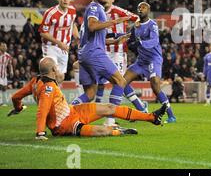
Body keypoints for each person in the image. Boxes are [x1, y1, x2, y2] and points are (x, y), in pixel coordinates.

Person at [8, 57, 166, 139]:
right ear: (54, 69)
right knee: (101, 131)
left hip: (73, 111)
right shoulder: (49, 88)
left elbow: (16, 97)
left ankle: (152, 117)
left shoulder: (34, 82)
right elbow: (42, 111)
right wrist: (40, 133)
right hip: (66, 126)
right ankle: (118, 131)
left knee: (109, 108)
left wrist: (18, 107)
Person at [93, 0, 146, 127]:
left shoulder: (119, 11)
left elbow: (138, 18)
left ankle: (111, 118)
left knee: (119, 82)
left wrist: (134, 33)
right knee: (101, 82)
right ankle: (140, 106)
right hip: (102, 51)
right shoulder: (96, 12)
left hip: (117, 52)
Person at [71, 0, 130, 106]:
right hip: (94, 53)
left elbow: (93, 36)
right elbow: (92, 26)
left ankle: (68, 111)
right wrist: (113, 22)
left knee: (90, 94)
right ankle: (111, 120)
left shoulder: (96, 9)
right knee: (120, 81)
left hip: (85, 54)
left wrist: (114, 41)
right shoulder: (95, 8)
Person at [124, 2, 177, 123]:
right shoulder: (135, 27)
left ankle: (171, 115)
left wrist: (141, 43)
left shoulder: (152, 24)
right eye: (139, 7)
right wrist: (115, 36)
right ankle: (141, 108)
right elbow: (129, 38)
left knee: (154, 84)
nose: (140, 9)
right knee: (122, 82)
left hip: (154, 59)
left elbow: (154, 41)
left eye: (143, 7)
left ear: (148, 10)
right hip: (141, 61)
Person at [39, 0, 79, 76]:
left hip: (65, 48)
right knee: (50, 73)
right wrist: (59, 43)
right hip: (50, 47)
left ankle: (52, 89)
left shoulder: (72, 10)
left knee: (60, 76)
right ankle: (41, 88)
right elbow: (43, 32)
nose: (65, 0)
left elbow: (72, 24)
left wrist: (77, 37)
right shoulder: (50, 13)